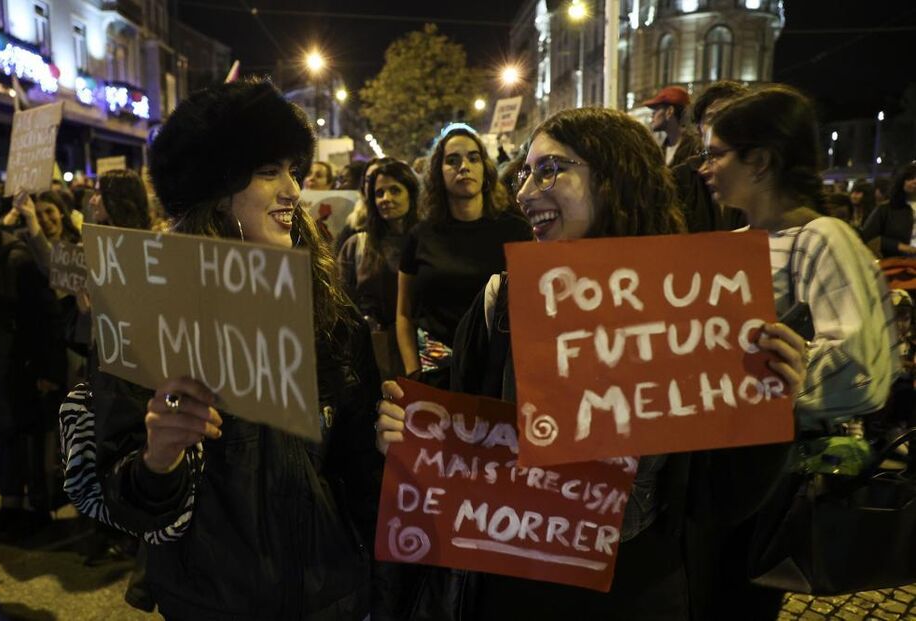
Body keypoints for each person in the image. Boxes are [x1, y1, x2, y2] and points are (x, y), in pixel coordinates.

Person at [376, 107, 809, 620]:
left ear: (615, 177)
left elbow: (722, 498)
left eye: (549, 170)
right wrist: (408, 430)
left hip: (638, 587)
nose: (524, 193)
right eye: (524, 173)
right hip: (516, 584)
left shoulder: (690, 306)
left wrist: (774, 404)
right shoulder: (504, 299)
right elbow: (460, 439)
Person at [63, 79, 383, 619]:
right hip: (209, 601)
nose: (292, 190)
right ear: (214, 190)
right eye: (267, 172)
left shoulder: (328, 307)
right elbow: (118, 499)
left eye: (293, 171)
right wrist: (157, 459)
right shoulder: (144, 311)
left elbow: (357, 466)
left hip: (332, 595)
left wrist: (391, 438)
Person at [697, 85, 901, 618]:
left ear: (760, 160)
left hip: (774, 481)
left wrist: (792, 371)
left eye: (716, 154)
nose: (704, 168)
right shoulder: (734, 242)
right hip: (718, 473)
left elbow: (863, 367)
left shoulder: (822, 238)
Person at [395, 123, 533, 388]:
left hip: (496, 376)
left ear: (485, 168)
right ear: (438, 172)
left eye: (473, 157)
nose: (464, 166)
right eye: (452, 160)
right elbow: (403, 313)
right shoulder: (420, 235)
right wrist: (414, 372)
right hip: (436, 377)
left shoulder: (516, 230)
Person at [0, 203, 65, 541]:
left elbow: (45, 318)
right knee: (4, 433)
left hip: (21, 365)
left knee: (29, 435)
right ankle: (11, 504)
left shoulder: (16, 258)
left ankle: (37, 508)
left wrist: (47, 369)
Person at [338, 160, 419, 378]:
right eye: (379, 193)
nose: (386, 199)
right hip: (371, 353)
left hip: (421, 353)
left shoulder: (428, 244)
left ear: (410, 193)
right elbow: (341, 304)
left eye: (395, 190)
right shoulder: (357, 245)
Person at [674, 80, 749, 232]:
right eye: (711, 118)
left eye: (730, 116)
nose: (720, 125)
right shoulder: (679, 179)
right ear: (699, 129)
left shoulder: (757, 179)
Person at [860, 161, 916, 257]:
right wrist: (899, 246)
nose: (915, 181)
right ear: (901, 181)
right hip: (896, 265)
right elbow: (866, 237)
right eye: (910, 178)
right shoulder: (886, 209)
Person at [644, 85, 701, 168]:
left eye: (656, 109)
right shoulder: (661, 150)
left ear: (670, 111)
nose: (652, 115)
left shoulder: (694, 147)